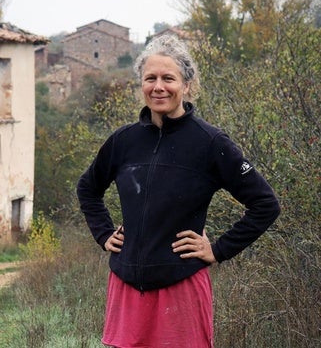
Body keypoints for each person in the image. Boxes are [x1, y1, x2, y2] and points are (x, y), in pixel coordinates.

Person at [76, 33, 280, 348]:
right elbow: (88, 188)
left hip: (180, 287)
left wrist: (219, 249)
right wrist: (104, 234)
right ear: (141, 85)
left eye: (168, 78)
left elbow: (265, 204)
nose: (159, 86)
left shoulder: (211, 143)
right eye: (150, 78)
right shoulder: (123, 141)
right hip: (126, 286)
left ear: (186, 85)